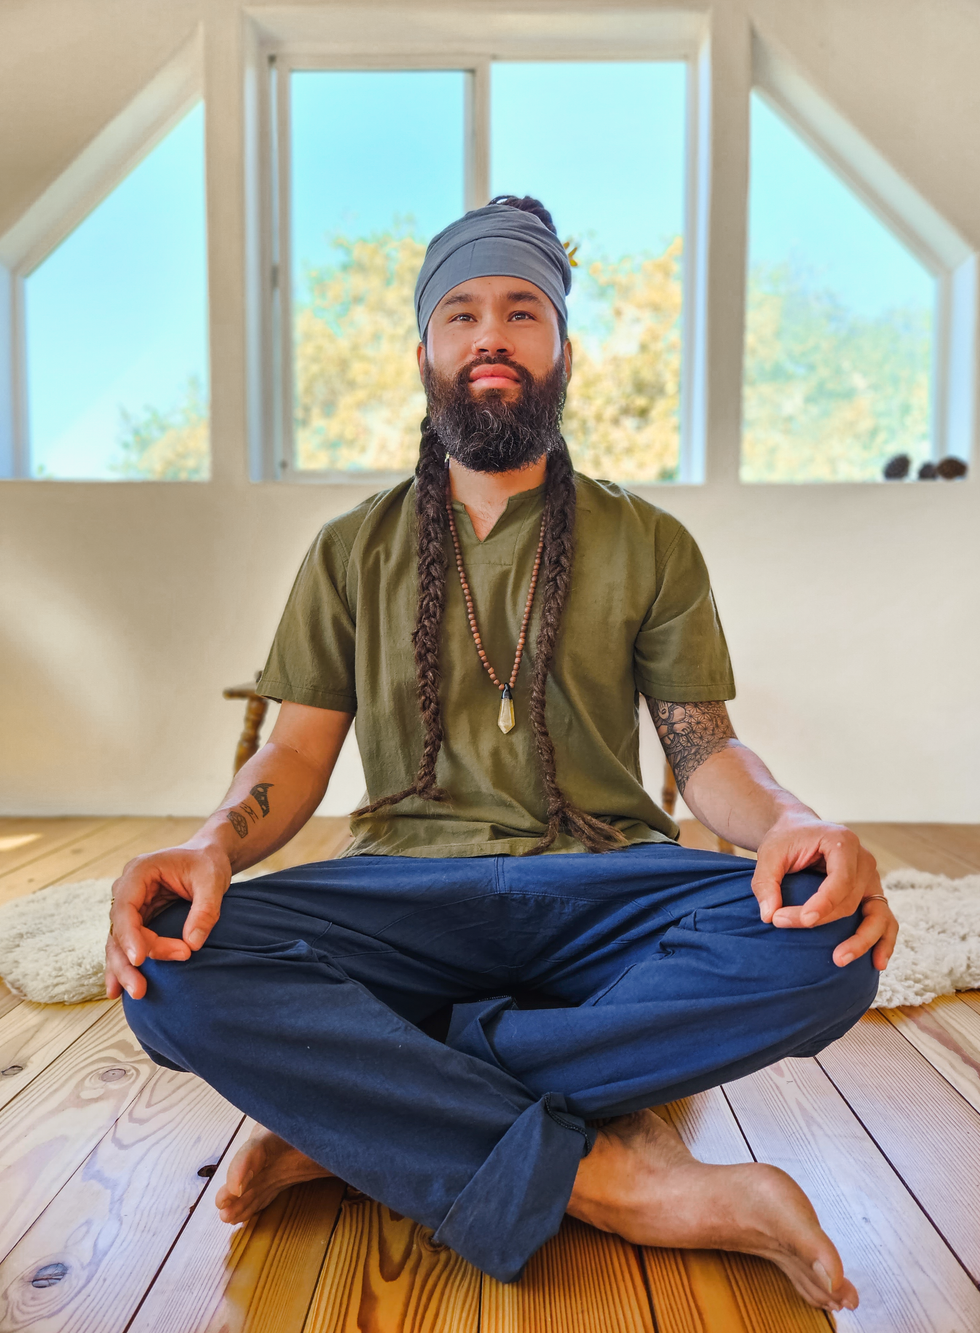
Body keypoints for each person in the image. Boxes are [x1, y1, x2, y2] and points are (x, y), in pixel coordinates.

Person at [107, 196, 896, 1315]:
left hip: (603, 886)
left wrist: (794, 825)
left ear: (561, 347)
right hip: (403, 893)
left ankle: (358, 1117)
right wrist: (205, 844)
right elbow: (292, 750)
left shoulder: (649, 541)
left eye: (522, 312)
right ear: (425, 349)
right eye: (462, 314)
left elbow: (705, 747)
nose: (491, 337)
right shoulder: (348, 550)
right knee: (169, 966)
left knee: (829, 941)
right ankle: (615, 1177)